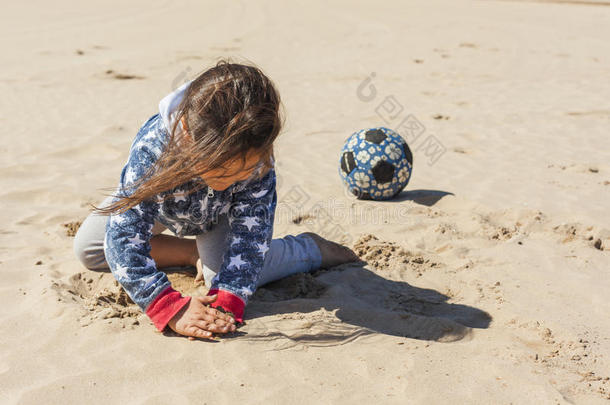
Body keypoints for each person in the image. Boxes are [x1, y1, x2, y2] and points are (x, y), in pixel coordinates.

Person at [73, 60, 361, 341]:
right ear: (186, 133)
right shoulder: (153, 150)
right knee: (90, 250)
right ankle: (189, 253)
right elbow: (124, 238)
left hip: (221, 215)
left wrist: (229, 299)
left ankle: (308, 250)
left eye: (243, 171)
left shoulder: (256, 157)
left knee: (220, 278)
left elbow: (252, 237)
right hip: (161, 205)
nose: (234, 177)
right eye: (223, 169)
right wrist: (168, 306)